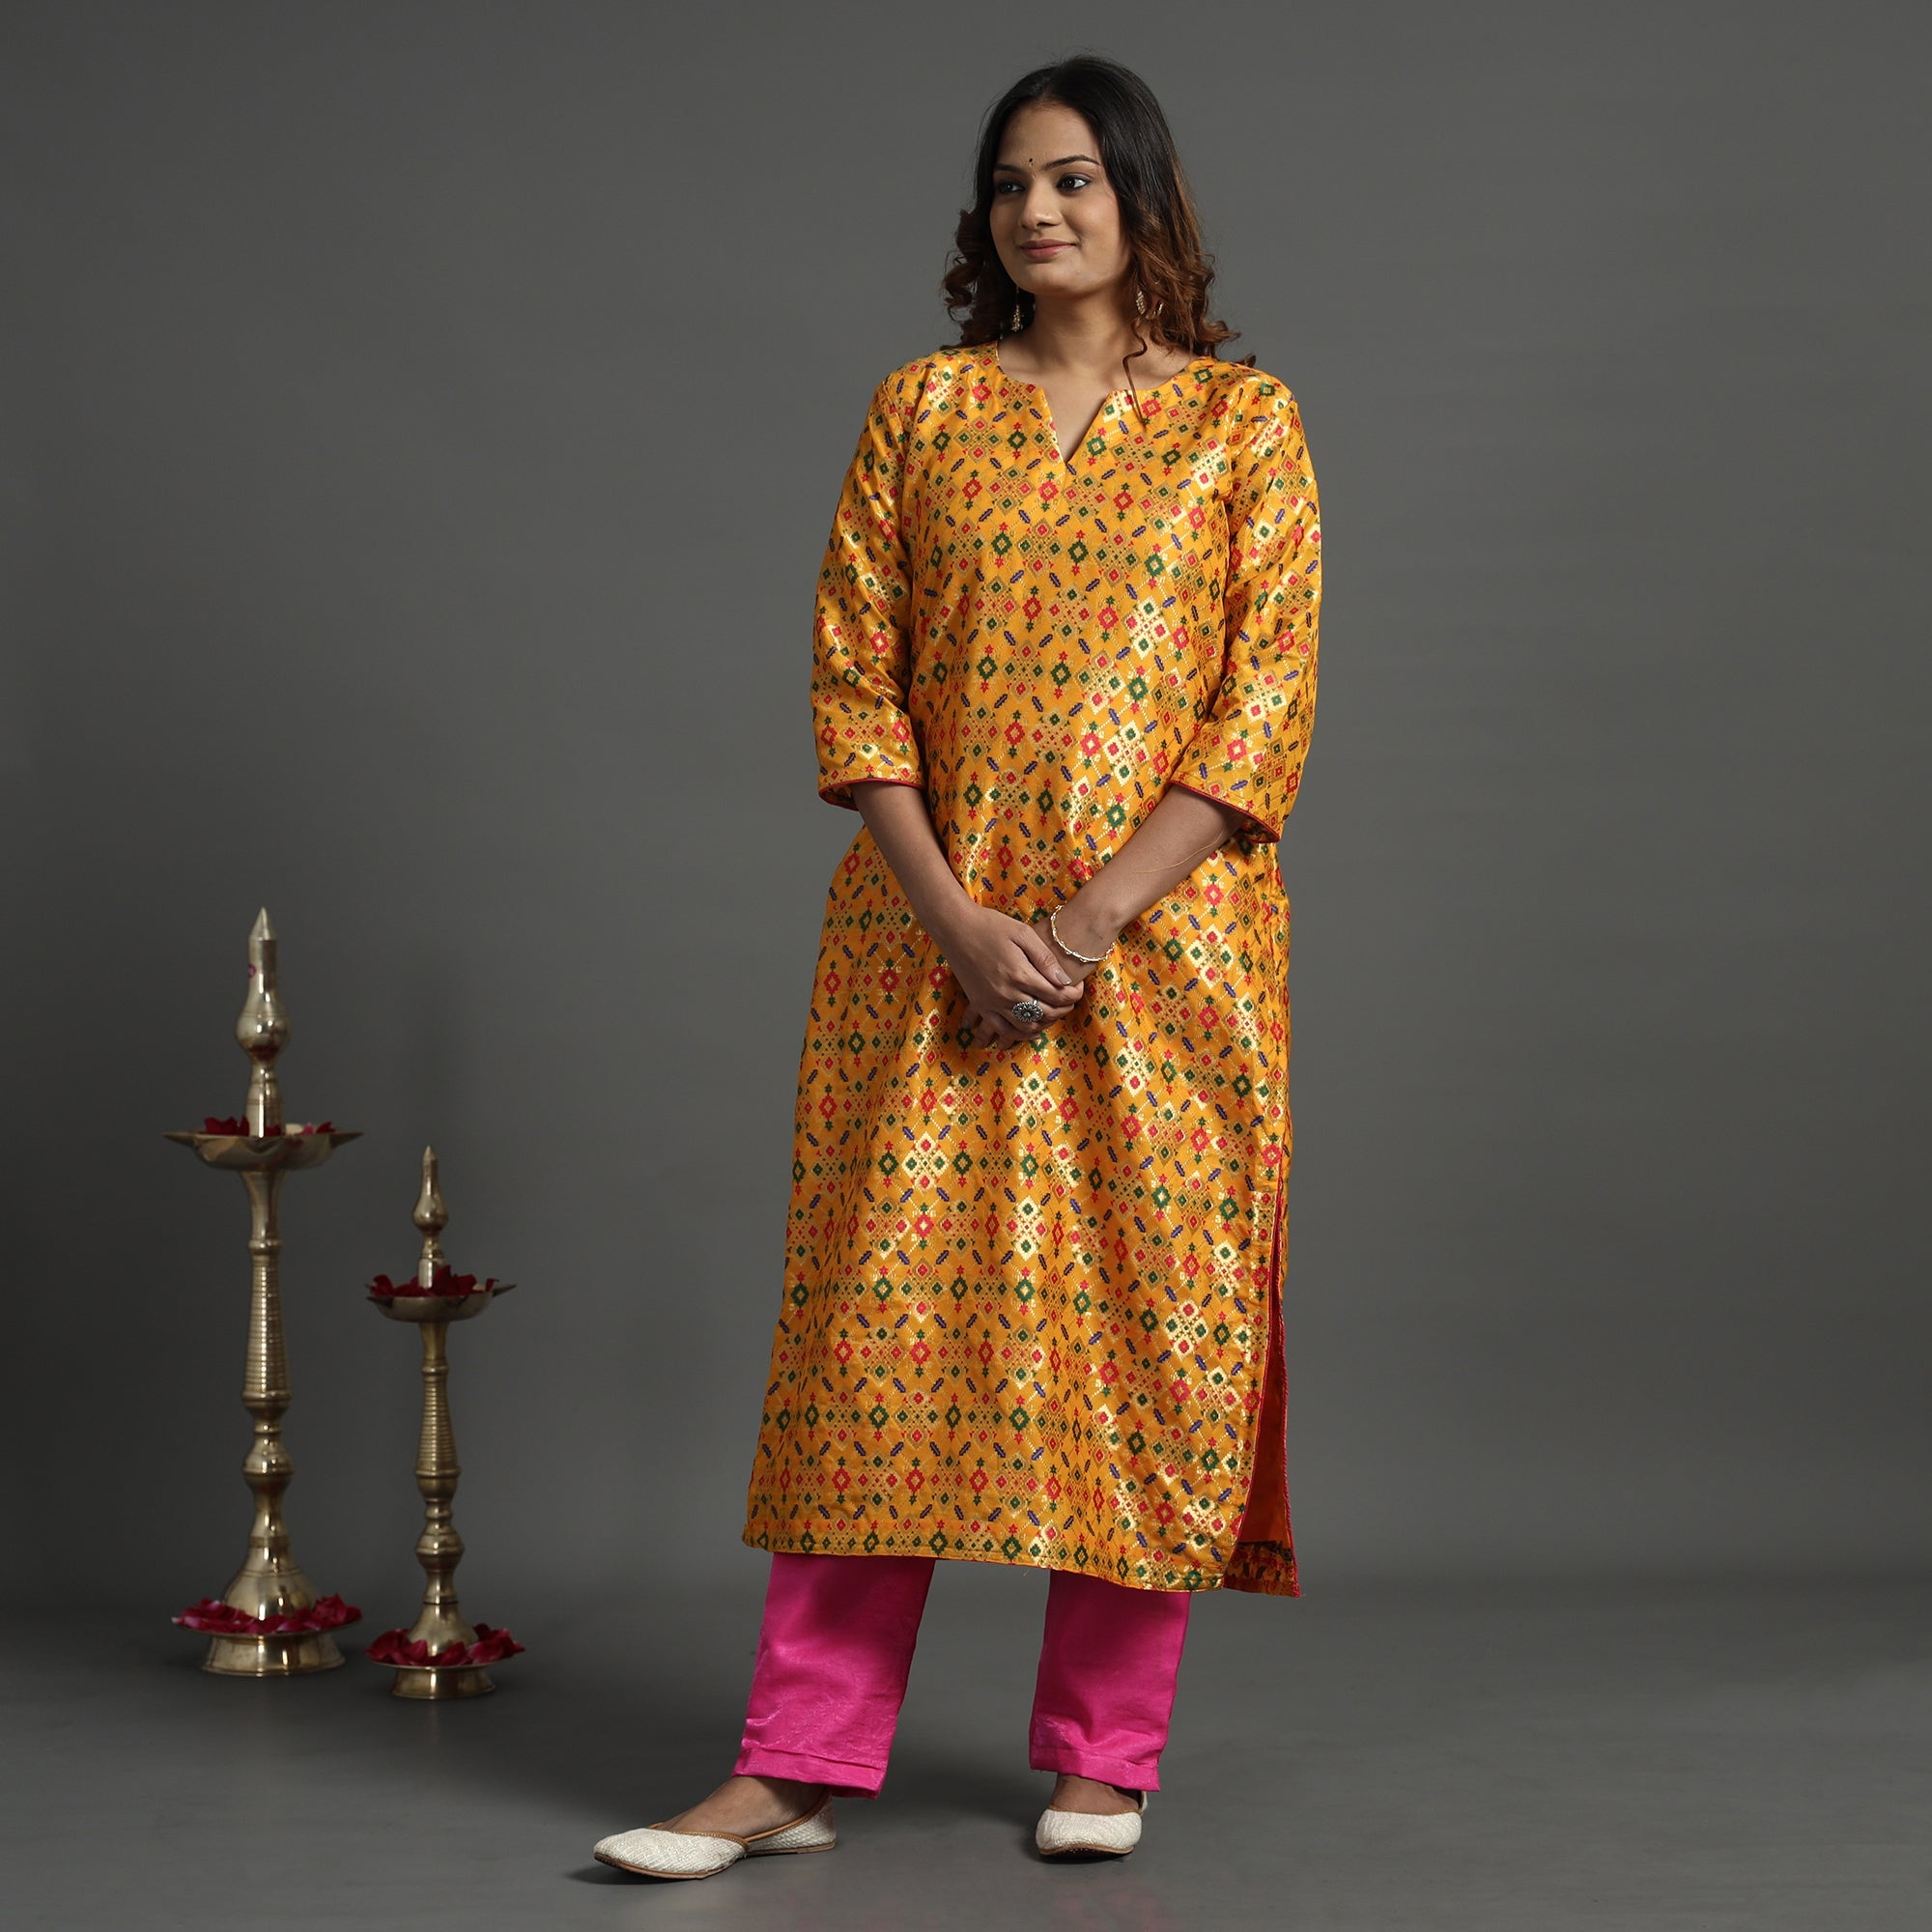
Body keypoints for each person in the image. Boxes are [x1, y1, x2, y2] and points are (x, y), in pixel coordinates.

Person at [594, 51, 1322, 1880]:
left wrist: (1081, 927)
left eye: (1073, 178)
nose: (1037, 211)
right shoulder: (920, 411)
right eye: (1009, 184)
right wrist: (961, 924)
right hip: (926, 954)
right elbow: (855, 687)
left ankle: (1103, 1759)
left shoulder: (1246, 427)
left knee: (1144, 1330)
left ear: (1141, 197)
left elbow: (1263, 712)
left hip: (1164, 965)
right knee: (875, 1342)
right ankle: (791, 1768)